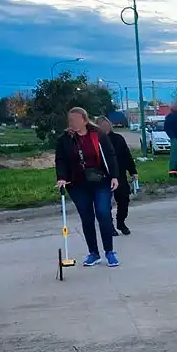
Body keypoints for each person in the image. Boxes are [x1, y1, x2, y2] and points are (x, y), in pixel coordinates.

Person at [55, 107, 121, 267]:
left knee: (103, 213)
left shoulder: (98, 135)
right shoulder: (65, 139)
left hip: (100, 181)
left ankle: (109, 252)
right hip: (77, 183)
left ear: (85, 120)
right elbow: (61, 160)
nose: (74, 124)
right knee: (87, 218)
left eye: (77, 120)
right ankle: (94, 253)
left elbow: (110, 155)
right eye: (71, 121)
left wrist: (114, 176)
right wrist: (62, 178)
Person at [96, 116, 137, 236]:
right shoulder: (96, 140)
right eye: (101, 125)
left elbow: (127, 155)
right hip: (103, 176)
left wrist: (133, 171)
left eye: (106, 124)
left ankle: (121, 222)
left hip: (120, 174)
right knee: (105, 203)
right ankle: (110, 226)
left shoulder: (118, 138)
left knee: (124, 199)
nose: (104, 127)